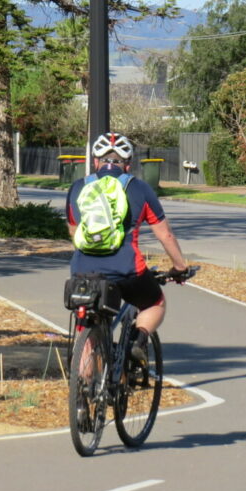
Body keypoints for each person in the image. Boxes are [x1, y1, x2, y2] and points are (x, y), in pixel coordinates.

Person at [66, 132, 190, 360]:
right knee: (154, 303)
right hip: (126, 269)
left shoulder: (77, 188)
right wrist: (180, 267)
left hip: (83, 269)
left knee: (86, 325)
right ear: (128, 165)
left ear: (95, 161)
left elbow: (74, 232)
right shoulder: (139, 189)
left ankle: (83, 385)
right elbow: (165, 235)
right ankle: (139, 340)